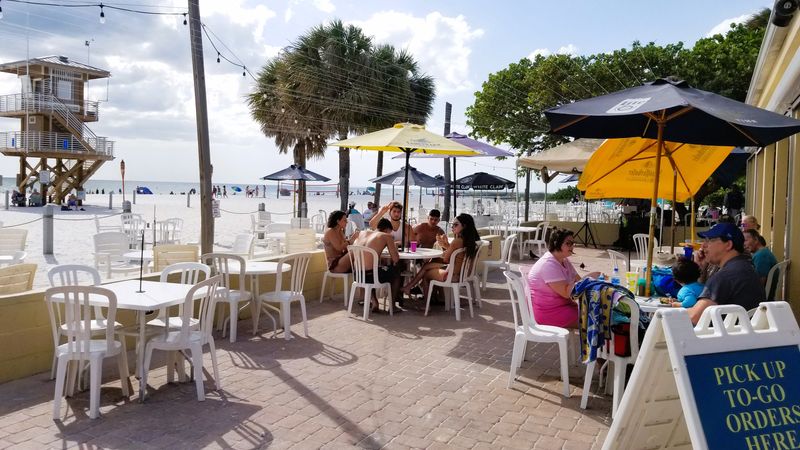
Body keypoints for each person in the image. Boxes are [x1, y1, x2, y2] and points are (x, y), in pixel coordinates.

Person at [687, 223, 765, 324]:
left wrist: (665, 311)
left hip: (723, 337)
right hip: (743, 334)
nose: (703, 246)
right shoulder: (745, 267)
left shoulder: (725, 276)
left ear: (728, 245)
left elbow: (694, 317)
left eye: (710, 240)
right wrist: (702, 268)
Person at [527, 229, 601, 328]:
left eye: (573, 243)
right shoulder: (548, 264)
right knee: (599, 319)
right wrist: (589, 277)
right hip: (549, 313)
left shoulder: (564, 261)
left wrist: (591, 280)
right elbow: (567, 293)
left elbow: (579, 282)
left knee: (602, 312)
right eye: (568, 243)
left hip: (562, 307)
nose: (572, 246)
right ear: (556, 243)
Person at [401, 213, 480, 302]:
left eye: (456, 225)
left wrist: (445, 248)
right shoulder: (470, 241)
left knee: (427, 273)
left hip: (453, 275)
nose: (453, 227)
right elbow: (457, 255)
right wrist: (446, 246)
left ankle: (426, 303)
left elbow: (446, 259)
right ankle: (435, 296)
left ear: (464, 226)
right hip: (463, 273)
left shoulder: (457, 241)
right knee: (429, 264)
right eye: (452, 224)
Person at [352, 218, 400, 312]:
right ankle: (393, 306)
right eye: (390, 232)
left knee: (374, 269)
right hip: (371, 277)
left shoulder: (362, 233)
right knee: (396, 272)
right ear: (387, 230)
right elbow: (395, 259)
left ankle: (374, 302)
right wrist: (394, 246)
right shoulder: (386, 236)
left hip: (357, 275)